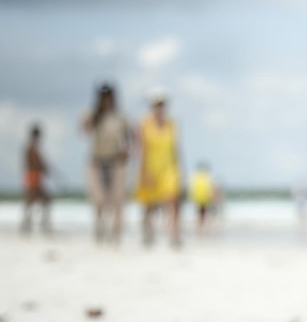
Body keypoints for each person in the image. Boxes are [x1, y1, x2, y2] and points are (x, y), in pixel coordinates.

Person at [82, 83, 132, 244]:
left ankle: (115, 234)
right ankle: (99, 228)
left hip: (116, 162)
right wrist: (95, 115)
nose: (106, 100)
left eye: (109, 96)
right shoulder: (94, 116)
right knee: (99, 199)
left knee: (118, 200)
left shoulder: (120, 117)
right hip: (97, 162)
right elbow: (84, 128)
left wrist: (128, 150)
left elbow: (131, 135)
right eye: (103, 97)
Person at [136, 91, 183, 247]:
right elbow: (141, 149)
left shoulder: (171, 124)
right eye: (156, 105)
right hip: (150, 167)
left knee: (172, 202)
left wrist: (180, 171)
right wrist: (144, 171)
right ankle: (148, 232)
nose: (159, 108)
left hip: (169, 168)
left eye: (162, 105)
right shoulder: (144, 124)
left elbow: (176, 149)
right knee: (149, 204)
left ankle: (174, 234)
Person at [21, 123, 51, 234]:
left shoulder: (33, 148)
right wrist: (43, 167)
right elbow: (34, 163)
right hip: (33, 177)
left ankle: (29, 224)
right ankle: (30, 224)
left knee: (34, 201)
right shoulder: (31, 148)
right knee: (34, 201)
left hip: (34, 177)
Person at [189, 162, 217, 234]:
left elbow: (192, 187)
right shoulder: (206, 176)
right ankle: (204, 226)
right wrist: (212, 195)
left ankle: (200, 226)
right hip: (205, 196)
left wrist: (192, 196)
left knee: (200, 212)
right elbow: (210, 186)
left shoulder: (195, 175)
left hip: (198, 196)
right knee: (206, 211)